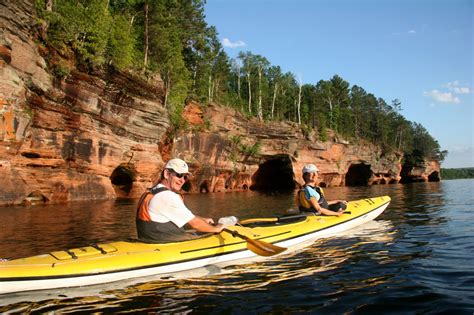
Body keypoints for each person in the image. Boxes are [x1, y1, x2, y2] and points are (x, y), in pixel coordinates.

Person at [136, 158, 229, 243]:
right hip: (164, 244)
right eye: (179, 175)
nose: (182, 180)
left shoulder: (152, 192)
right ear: (166, 174)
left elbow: (185, 217)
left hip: (150, 241)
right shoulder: (167, 196)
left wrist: (203, 220)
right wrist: (217, 228)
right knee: (207, 232)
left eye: (185, 177)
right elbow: (195, 224)